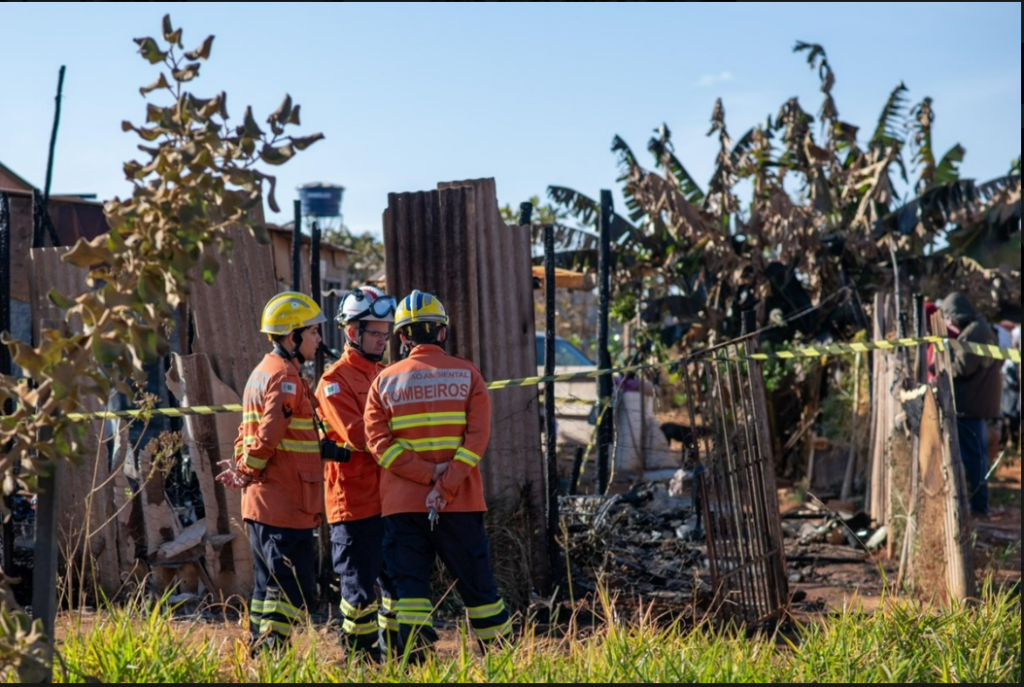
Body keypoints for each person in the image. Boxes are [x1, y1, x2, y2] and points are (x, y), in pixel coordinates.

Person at [363, 290, 512, 657]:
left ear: (402, 337)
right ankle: (504, 661)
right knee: (479, 590)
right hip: (459, 503)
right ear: (442, 333)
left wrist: (426, 475)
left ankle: (415, 664)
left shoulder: (383, 382)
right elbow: (477, 440)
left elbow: (378, 445)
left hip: (402, 506)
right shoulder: (468, 375)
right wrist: (444, 484)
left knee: (409, 590)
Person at [216, 291, 327, 651]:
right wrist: (246, 470)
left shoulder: (261, 373)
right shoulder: (285, 378)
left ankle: (260, 651)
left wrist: (242, 469)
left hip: (267, 503)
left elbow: (243, 432)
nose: (319, 339)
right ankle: (271, 653)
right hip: (284, 501)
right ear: (293, 336)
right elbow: (265, 436)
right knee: (289, 587)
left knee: (267, 586)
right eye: (313, 332)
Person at [315, 286, 400, 661]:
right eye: (376, 333)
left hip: (390, 499)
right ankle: (360, 661)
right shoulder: (334, 381)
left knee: (397, 586)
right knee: (359, 592)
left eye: (386, 333)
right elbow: (359, 435)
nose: (383, 340)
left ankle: (399, 656)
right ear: (353, 333)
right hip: (354, 503)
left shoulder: (384, 373)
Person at [940, 292, 1002, 518]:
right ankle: (978, 504)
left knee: (973, 458)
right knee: (976, 457)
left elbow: (962, 368)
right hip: (976, 404)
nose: (949, 322)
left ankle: (978, 507)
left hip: (970, 405)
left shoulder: (975, 332)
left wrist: (944, 360)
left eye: (949, 317)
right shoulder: (980, 328)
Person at [1002, 325, 1021, 448]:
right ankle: (1013, 443)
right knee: (1012, 418)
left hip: (1014, 395)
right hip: (1012, 395)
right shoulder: (1012, 356)